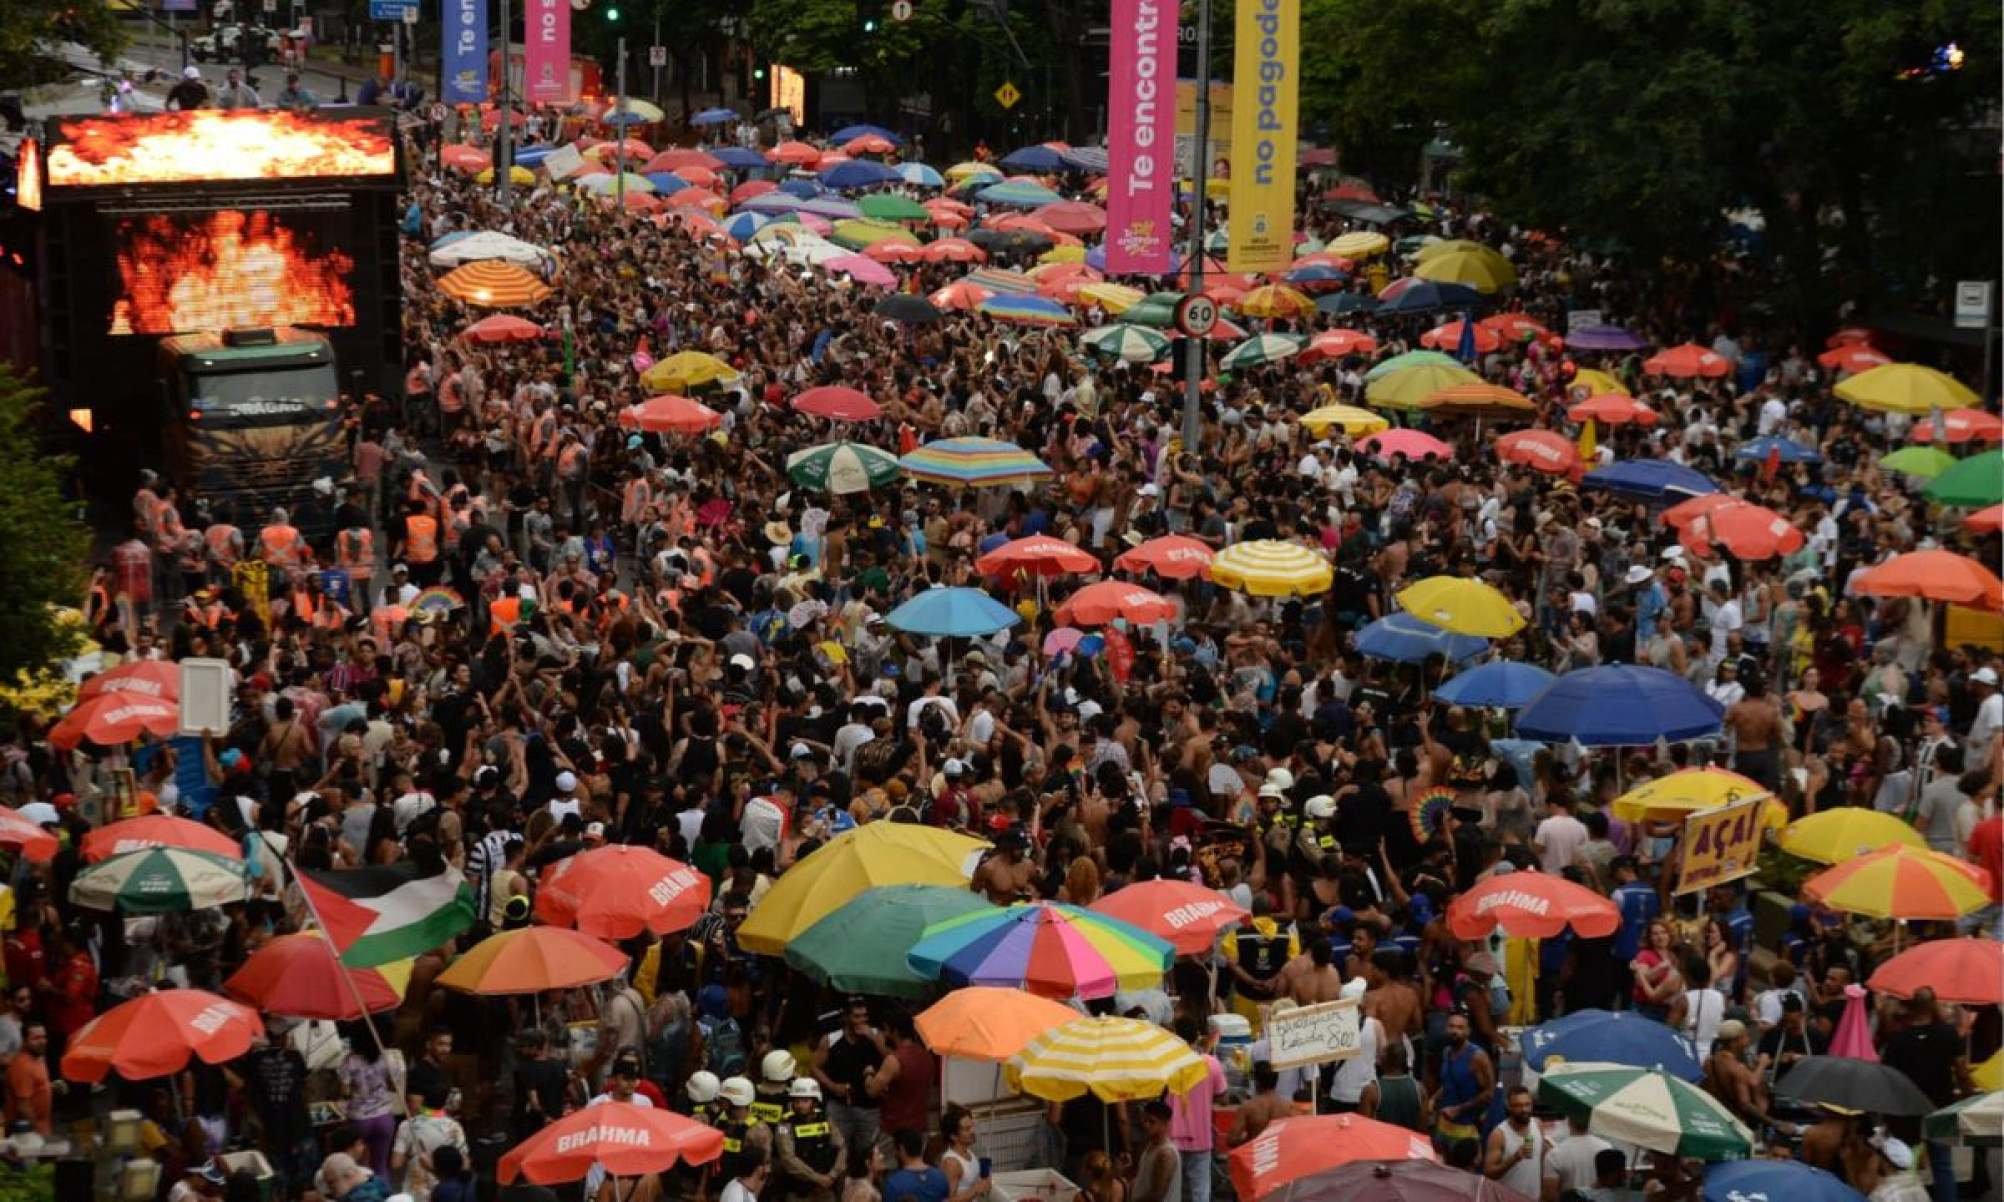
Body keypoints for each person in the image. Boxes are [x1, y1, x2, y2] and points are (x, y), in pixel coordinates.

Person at [776, 1077, 846, 1202]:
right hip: (799, 1192)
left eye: (805, 1101)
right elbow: (788, 1158)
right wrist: (817, 1178)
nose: (799, 1105)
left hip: (826, 1188)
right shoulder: (785, 1124)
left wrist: (832, 1175)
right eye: (796, 1101)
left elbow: (841, 1147)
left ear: (815, 1101)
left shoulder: (825, 1119)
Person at [1485, 1086, 1554, 1201]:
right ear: (1509, 1107)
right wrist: (1514, 1158)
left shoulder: (1538, 1124)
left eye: (1527, 1104)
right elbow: (1489, 1173)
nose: (1524, 1109)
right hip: (1507, 1198)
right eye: (1518, 1105)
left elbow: (1541, 1160)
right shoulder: (1499, 1135)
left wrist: (1543, 1190)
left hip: (1533, 1197)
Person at [1130, 1101, 1183, 1202]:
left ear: (1165, 1124)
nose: (1146, 1125)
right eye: (1145, 1120)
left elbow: (1157, 1194)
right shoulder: (1150, 1145)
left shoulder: (1165, 1154)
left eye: (1152, 1122)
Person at [882, 1128, 948, 1202]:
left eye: (895, 1149)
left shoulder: (894, 1183)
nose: (894, 1153)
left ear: (901, 1149)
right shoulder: (940, 1176)